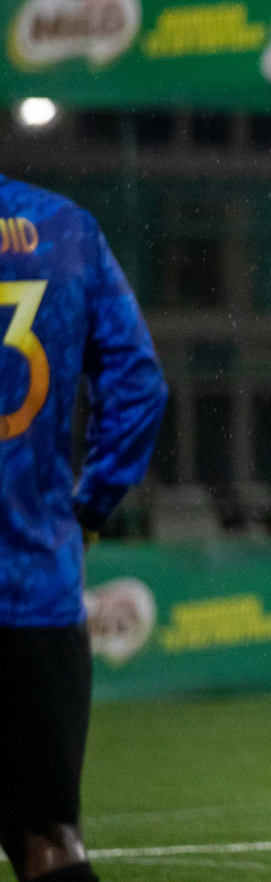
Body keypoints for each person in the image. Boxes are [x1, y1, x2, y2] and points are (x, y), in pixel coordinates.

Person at [0, 173, 168, 882]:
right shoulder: (63, 227)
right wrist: (88, 512)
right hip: (32, 586)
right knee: (48, 840)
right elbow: (139, 390)